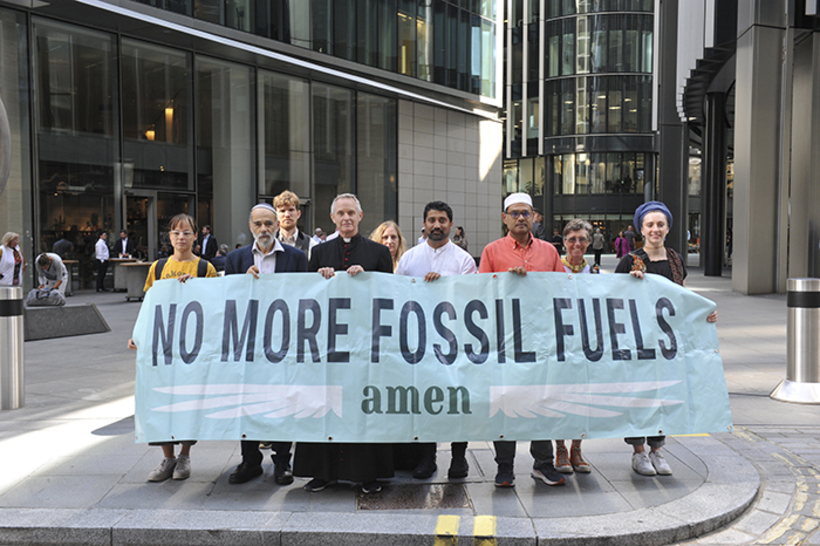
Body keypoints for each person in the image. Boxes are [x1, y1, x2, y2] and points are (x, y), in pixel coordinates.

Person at [293, 193, 394, 495]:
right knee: (325, 405)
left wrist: (368, 279)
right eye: (341, 213)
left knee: (361, 408)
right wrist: (320, 277)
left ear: (360, 216)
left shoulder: (378, 252)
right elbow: (308, 295)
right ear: (333, 218)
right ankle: (322, 473)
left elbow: (390, 294)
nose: (346, 218)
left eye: (351, 213)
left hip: (364, 345)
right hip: (328, 346)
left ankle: (367, 474)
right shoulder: (320, 252)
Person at [615, 201, 718, 477]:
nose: (655, 229)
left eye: (660, 224)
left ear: (668, 228)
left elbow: (681, 295)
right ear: (641, 229)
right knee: (640, 395)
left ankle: (657, 449)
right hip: (639, 342)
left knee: (665, 394)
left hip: (668, 342)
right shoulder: (630, 261)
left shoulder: (675, 259)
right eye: (649, 224)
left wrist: (703, 311)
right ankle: (638, 452)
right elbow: (615, 298)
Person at [479, 193, 566, 489]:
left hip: (541, 339)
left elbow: (562, 290)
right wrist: (507, 282)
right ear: (504, 218)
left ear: (534, 218)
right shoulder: (492, 251)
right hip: (505, 341)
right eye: (514, 213)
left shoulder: (549, 252)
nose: (520, 218)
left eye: (525, 213)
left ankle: (543, 464)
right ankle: (504, 466)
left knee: (541, 400)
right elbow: (481, 293)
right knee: (505, 401)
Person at [127, 213, 217, 482]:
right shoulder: (158, 267)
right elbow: (149, 305)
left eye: (187, 232)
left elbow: (215, 306)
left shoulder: (205, 268)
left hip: (192, 348)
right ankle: (168, 457)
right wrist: (137, 334)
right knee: (161, 399)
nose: (181, 237)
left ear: (195, 236)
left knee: (188, 400)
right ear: (169, 236)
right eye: (176, 232)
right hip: (163, 346)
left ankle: (185, 455)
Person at [225, 203, 308, 486]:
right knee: (247, 400)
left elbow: (306, 297)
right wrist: (241, 283)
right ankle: (250, 461)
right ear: (250, 227)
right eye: (258, 224)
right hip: (249, 343)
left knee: (284, 399)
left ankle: (283, 461)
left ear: (277, 226)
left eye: (268, 223)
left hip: (284, 343)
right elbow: (226, 300)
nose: (263, 229)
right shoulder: (235, 259)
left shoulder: (296, 258)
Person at [395, 201, 477, 480]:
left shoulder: (463, 260)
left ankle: (459, 458)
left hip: (455, 343)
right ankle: (426, 458)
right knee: (424, 400)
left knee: (458, 400)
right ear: (424, 224)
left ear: (451, 225)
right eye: (432, 220)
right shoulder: (409, 259)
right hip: (419, 344)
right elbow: (397, 295)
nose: (437, 225)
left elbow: (471, 297)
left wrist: (444, 286)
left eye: (442, 220)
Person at [554, 219, 598, 476]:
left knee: (583, 397)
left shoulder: (595, 274)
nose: (577, 244)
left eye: (582, 239)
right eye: (572, 239)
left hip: (585, 344)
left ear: (589, 243)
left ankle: (577, 448)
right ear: (564, 242)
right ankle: (560, 448)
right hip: (559, 343)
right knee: (559, 396)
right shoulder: (554, 269)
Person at [273, 190, 318, 257]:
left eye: (291, 210)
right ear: (276, 215)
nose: (287, 215)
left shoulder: (311, 245)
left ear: (298, 214)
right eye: (282, 211)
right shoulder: (270, 244)